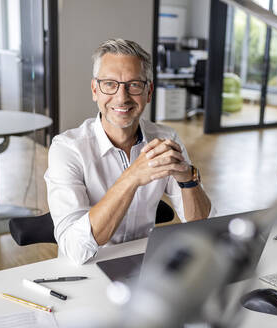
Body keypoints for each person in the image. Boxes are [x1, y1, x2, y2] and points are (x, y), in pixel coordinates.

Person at [45, 39, 215, 265]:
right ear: (95, 90)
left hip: (143, 266)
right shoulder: (67, 148)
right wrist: (132, 177)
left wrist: (188, 180)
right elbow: (76, 250)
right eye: (109, 84)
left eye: (134, 85)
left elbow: (202, 224)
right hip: (86, 270)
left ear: (149, 92)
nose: (122, 97)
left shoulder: (166, 139)